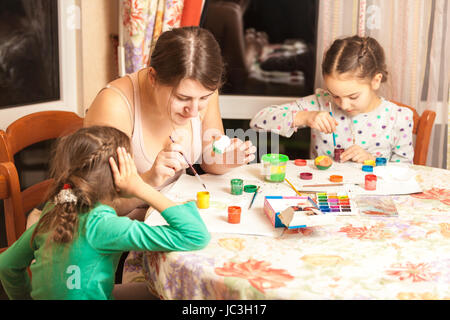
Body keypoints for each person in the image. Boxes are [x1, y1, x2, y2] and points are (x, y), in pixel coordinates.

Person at [0, 126, 210, 300]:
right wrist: (141, 188)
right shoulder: (104, 226)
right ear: (118, 177)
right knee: (162, 293)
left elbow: (6, 265)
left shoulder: (55, 209)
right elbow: (195, 235)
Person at [84, 26, 256, 218]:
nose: (193, 111)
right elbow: (96, 207)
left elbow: (209, 159)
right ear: (153, 77)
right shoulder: (114, 105)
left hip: (175, 219)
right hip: (128, 233)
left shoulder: (201, 88)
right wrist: (148, 181)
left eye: (204, 98)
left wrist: (226, 159)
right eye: (182, 98)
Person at [250, 35, 414, 164]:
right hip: (322, 198)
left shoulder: (399, 117)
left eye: (353, 96)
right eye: (335, 95)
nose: (343, 104)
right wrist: (304, 117)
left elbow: (404, 172)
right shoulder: (321, 103)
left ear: (375, 81)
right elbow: (258, 121)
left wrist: (372, 161)